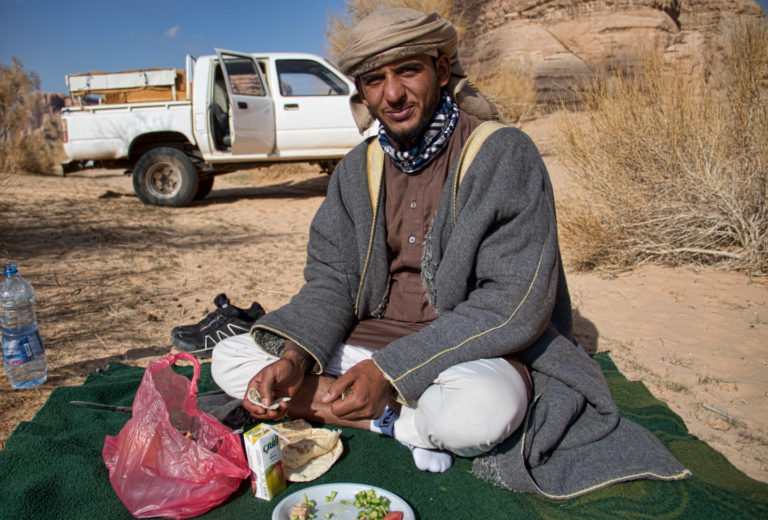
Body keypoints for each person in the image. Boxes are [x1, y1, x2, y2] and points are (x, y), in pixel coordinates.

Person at [211, 8, 689, 491]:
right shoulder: (357, 170)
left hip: (465, 354)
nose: (393, 94)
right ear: (362, 93)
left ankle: (382, 415)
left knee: (485, 409)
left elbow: (513, 304)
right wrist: (296, 358)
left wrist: (390, 372)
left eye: (408, 71)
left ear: (441, 71)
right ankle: (406, 423)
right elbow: (332, 281)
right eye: (375, 80)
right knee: (232, 359)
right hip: (367, 343)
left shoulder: (503, 154)